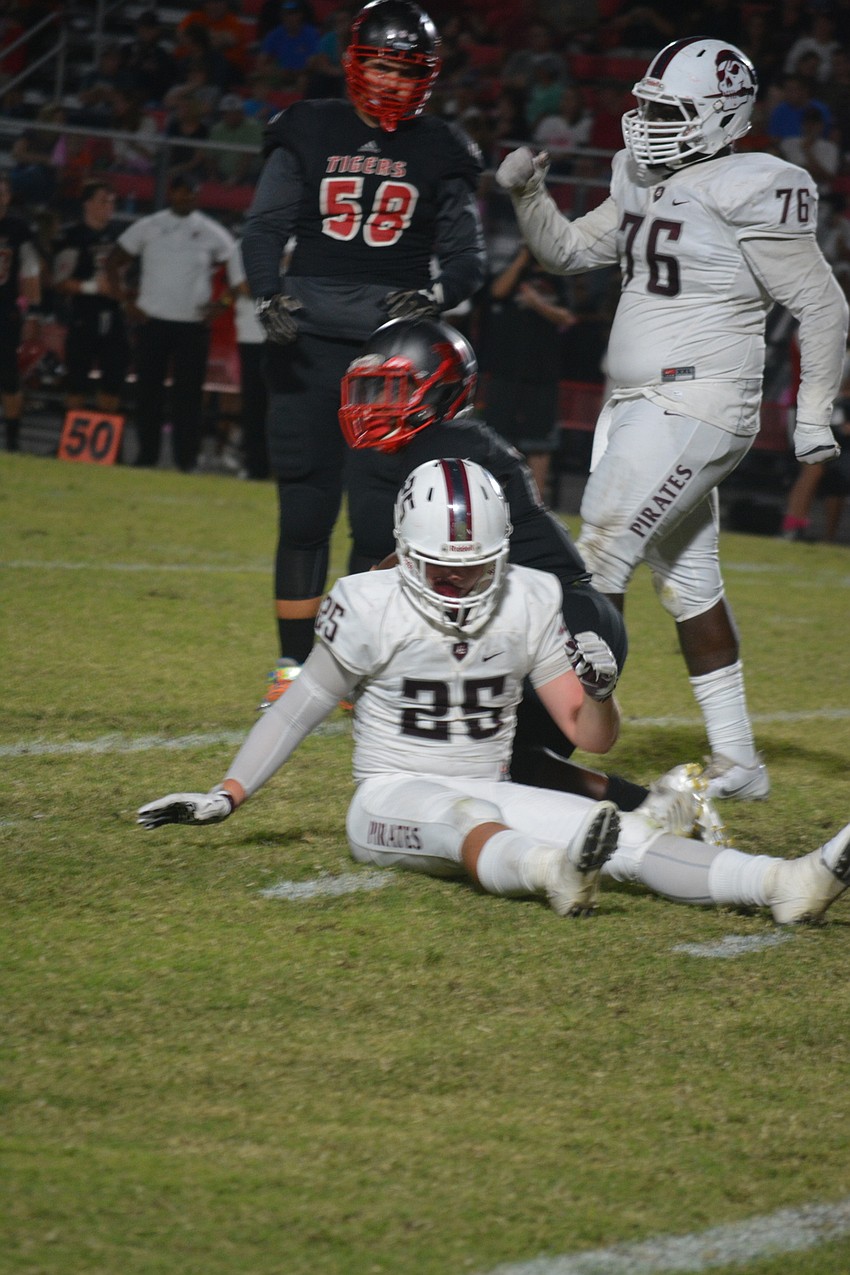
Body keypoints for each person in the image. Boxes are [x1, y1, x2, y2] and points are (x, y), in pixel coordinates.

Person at [137, 458, 850, 928]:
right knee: (467, 813)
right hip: (387, 796)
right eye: (444, 572)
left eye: (476, 569)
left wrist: (602, 691)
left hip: (493, 782)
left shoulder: (529, 596)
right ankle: (551, 871)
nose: (461, 586)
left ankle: (783, 883)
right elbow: (298, 706)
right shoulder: (367, 601)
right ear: (407, 554)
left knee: (629, 833)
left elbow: (592, 733)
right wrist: (226, 793)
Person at [495, 36, 849, 801]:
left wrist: (817, 413)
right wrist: (529, 196)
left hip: (699, 400)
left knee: (598, 551)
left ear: (723, 117)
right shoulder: (638, 173)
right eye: (648, 106)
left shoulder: (760, 183)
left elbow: (822, 303)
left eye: (671, 110)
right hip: (637, 407)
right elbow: (564, 252)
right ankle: (739, 761)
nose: (650, 122)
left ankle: (549, 745)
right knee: (690, 585)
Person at [341, 314, 727, 837]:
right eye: (367, 389)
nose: (373, 406)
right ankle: (658, 812)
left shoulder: (455, 446)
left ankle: (638, 830)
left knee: (478, 768)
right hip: (528, 614)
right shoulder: (390, 457)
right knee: (514, 766)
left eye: (391, 390)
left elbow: (415, 571)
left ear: (443, 392)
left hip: (557, 620)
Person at [240, 0, 486, 701]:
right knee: (305, 509)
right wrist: (267, 292)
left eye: (404, 67)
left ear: (428, 75)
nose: (389, 78)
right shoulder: (308, 125)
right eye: (379, 61)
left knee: (379, 518)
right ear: (354, 61)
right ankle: (293, 666)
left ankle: (351, 664)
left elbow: (466, 255)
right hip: (308, 339)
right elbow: (264, 228)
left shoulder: (443, 146)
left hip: (392, 359)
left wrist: (436, 295)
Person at [105, 175, 237, 472]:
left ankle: (185, 459)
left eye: (190, 192)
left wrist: (223, 304)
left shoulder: (210, 231)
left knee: (188, 398)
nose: (185, 197)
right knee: (147, 393)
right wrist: (125, 301)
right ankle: (147, 455)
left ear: (197, 195)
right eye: (180, 191)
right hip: (153, 320)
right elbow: (113, 260)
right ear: (171, 194)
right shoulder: (150, 225)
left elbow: (237, 267)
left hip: (192, 325)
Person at [52, 181, 131, 417]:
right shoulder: (72, 236)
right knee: (77, 382)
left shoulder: (121, 236)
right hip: (83, 314)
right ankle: (71, 439)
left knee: (113, 382)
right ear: (87, 204)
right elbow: (60, 281)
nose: (108, 206)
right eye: (102, 201)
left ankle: (107, 443)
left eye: (111, 201)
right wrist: (94, 287)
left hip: (115, 314)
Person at [0, 172, 41, 453]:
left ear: (9, 196)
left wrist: (34, 311)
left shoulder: (18, 228)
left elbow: (30, 270)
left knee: (8, 375)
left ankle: (12, 441)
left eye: (2, 192)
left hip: (5, 311)